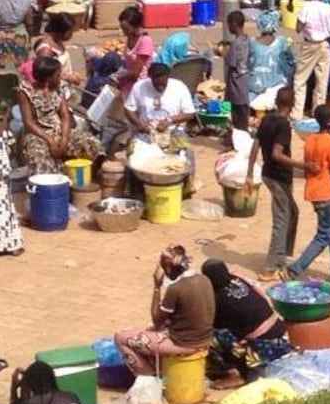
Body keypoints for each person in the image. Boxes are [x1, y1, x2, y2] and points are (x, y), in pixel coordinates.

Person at [245, 88, 312, 280]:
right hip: (279, 176)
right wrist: (303, 165)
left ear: (276, 101)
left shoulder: (266, 119)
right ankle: (270, 267)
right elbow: (277, 154)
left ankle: (282, 256)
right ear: (292, 105)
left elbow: (256, 146)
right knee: (282, 219)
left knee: (292, 213)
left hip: (268, 173)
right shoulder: (283, 125)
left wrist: (250, 173)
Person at [115, 245, 215, 375]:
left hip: (185, 343)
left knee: (121, 337)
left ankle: (148, 377)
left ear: (168, 268)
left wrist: (157, 287)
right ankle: (160, 370)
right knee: (150, 330)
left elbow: (157, 319)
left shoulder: (176, 288)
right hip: (205, 337)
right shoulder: (204, 279)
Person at [286, 105, 330, 280]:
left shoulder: (310, 140)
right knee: (324, 236)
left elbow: (308, 167)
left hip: (314, 192)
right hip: (326, 194)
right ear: (328, 121)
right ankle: (295, 269)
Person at [201, 259, 294, 388]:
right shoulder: (237, 279)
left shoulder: (219, 297)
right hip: (279, 330)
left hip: (263, 343)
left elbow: (213, 323)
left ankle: (234, 374)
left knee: (208, 336)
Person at [18, 57, 102, 175]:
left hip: (59, 130)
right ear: (48, 78)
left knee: (91, 143)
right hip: (38, 134)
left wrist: (64, 138)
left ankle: (87, 178)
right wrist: (50, 140)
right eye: (57, 75)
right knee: (39, 157)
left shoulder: (59, 87)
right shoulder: (25, 91)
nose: (60, 77)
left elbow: (64, 116)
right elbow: (28, 122)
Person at [123, 62, 197, 137]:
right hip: (146, 132)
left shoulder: (179, 87)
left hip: (171, 132)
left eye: (163, 84)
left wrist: (169, 121)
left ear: (168, 77)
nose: (160, 88)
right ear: (150, 78)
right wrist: (139, 124)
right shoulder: (140, 86)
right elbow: (128, 108)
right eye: (157, 84)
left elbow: (190, 113)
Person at [249, 11, 295, 98]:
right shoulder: (282, 42)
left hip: (254, 90)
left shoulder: (251, 43)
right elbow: (291, 64)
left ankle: (222, 110)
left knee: (228, 105)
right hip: (278, 90)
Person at [29, 12, 81, 85]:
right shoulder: (45, 50)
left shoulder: (58, 41)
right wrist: (67, 78)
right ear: (60, 32)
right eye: (69, 32)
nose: (71, 35)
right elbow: (44, 76)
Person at [223, 11, 251, 131]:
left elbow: (232, 62)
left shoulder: (235, 44)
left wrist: (224, 54)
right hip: (245, 82)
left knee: (238, 117)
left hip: (236, 84)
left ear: (234, 25)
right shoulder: (248, 40)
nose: (228, 27)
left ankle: (239, 138)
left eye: (229, 24)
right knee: (244, 114)